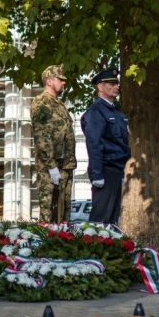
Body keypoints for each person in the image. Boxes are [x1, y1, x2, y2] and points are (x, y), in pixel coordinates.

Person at [80, 68, 131, 224]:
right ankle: (95, 247)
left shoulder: (116, 112)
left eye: (117, 83)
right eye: (111, 84)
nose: (116, 87)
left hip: (116, 169)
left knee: (112, 220)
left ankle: (107, 247)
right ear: (100, 87)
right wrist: (97, 174)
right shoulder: (96, 112)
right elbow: (94, 144)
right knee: (100, 219)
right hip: (105, 169)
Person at [30, 65, 77, 223]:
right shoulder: (41, 103)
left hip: (65, 165)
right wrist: (51, 166)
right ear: (49, 81)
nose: (64, 83)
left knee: (64, 211)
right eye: (60, 80)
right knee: (49, 211)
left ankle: (63, 242)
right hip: (50, 167)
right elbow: (42, 137)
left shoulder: (59, 105)